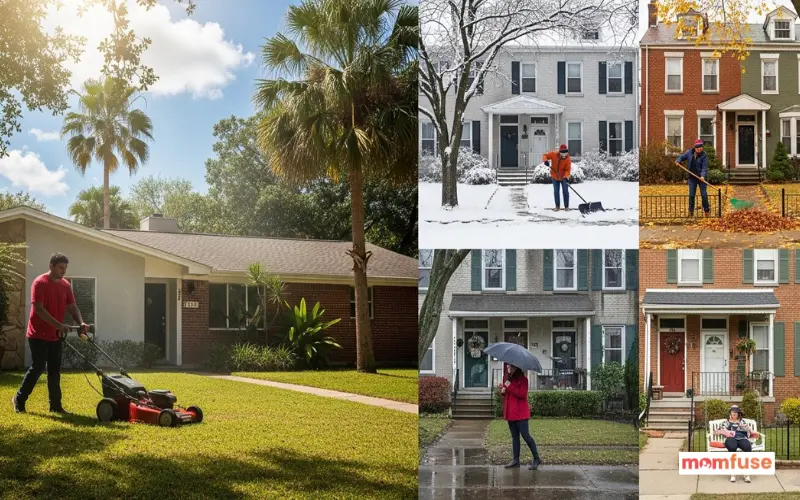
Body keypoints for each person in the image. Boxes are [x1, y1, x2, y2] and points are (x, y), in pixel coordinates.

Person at [12, 253, 87, 414]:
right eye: (61, 267)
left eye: (65, 268)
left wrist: (80, 322)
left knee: (54, 370)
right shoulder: (40, 283)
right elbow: (39, 309)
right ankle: (19, 399)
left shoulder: (66, 285)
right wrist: (59, 325)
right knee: (38, 367)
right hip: (37, 333)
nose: (64, 271)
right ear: (51, 266)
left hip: (55, 335)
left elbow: (72, 307)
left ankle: (55, 406)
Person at [500, 363, 541, 470]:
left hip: (521, 413)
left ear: (517, 368)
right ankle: (515, 460)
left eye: (512, 367)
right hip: (511, 413)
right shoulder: (509, 379)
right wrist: (503, 391)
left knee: (526, 436)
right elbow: (507, 392)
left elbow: (522, 394)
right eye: (509, 367)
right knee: (515, 437)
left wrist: (509, 386)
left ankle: (537, 458)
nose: (510, 369)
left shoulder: (523, 380)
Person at [713, 405, 753, 483]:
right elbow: (716, 432)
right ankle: (733, 473)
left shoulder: (742, 422)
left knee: (747, 447)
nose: (734, 414)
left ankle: (746, 474)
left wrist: (746, 428)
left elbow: (749, 431)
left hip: (742, 438)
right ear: (730, 414)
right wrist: (722, 430)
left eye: (736, 413)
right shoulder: (727, 422)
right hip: (731, 439)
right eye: (732, 413)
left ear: (738, 414)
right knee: (732, 447)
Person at [676, 139, 710, 217]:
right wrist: (678, 160)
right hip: (692, 178)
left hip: (701, 178)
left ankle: (707, 210)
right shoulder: (689, 152)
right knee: (691, 195)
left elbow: (704, 167)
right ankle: (691, 212)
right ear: (695, 147)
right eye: (698, 147)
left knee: (704, 195)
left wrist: (702, 176)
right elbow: (681, 157)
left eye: (701, 147)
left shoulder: (704, 155)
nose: (700, 148)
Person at [542, 144, 572, 211]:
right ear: (559, 152)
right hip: (555, 176)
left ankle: (566, 207)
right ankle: (557, 206)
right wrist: (545, 161)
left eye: (565, 153)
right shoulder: (554, 154)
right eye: (562, 153)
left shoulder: (568, 159)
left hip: (563, 177)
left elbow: (568, 169)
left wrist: (565, 177)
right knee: (556, 192)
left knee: (565, 191)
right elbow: (545, 155)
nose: (564, 155)